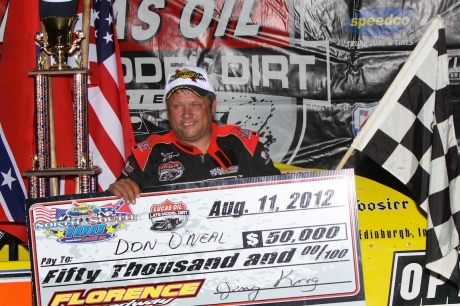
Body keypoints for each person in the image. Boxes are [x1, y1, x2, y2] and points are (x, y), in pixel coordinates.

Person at [108, 65, 281, 204]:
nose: (186, 114)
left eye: (195, 105)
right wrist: (117, 191)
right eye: (178, 106)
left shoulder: (245, 144)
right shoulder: (146, 154)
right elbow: (114, 203)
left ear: (212, 107)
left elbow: (280, 194)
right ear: (168, 111)